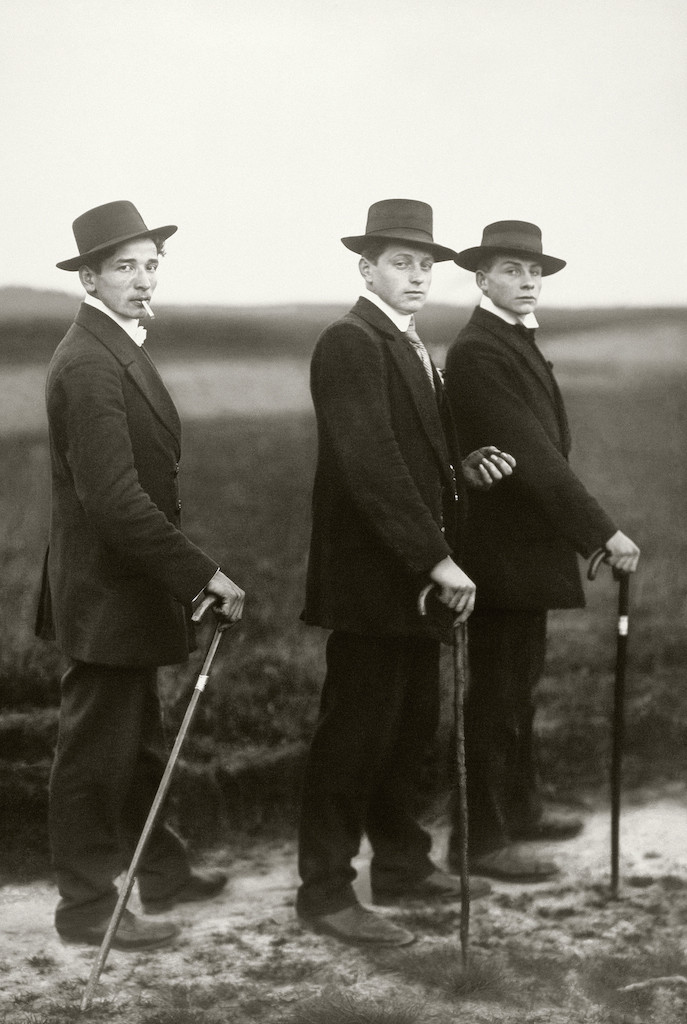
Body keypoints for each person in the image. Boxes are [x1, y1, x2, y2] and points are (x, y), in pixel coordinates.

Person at [296, 199, 515, 947]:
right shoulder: (350, 341)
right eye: (400, 262)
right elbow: (370, 466)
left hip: (413, 580)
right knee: (353, 735)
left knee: (409, 727)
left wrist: (461, 469)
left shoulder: (409, 342)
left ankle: (399, 863)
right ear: (367, 268)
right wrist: (436, 558)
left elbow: (414, 458)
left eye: (425, 264)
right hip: (372, 581)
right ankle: (324, 892)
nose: (417, 274)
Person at [36, 200, 245, 949]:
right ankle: (86, 910)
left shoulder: (112, 343)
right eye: (125, 266)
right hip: (106, 591)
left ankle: (160, 872)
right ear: (89, 276)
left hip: (123, 588)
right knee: (95, 754)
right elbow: (115, 500)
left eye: (151, 264)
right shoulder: (90, 360)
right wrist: (201, 576)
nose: (142, 278)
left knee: (139, 739)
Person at [444, 220, 640, 881]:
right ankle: (478, 839)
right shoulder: (478, 352)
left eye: (534, 272)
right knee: (496, 694)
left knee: (517, 689)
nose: (526, 281)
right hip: (498, 553)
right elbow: (531, 454)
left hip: (523, 549)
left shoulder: (510, 341)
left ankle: (520, 809)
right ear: (481, 279)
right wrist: (600, 532)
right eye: (510, 270)